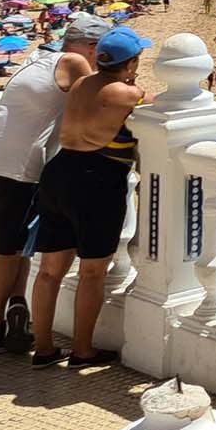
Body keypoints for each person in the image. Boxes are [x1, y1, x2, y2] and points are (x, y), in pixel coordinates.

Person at [0, 12, 107, 354]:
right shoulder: (73, 61)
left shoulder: (38, 58)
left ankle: (17, 308)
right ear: (90, 48)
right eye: (102, 51)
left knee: (17, 248)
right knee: (6, 252)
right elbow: (99, 97)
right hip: (16, 170)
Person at [27, 26, 149, 367]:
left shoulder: (81, 84)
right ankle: (83, 351)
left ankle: (44, 348)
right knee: (92, 271)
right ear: (130, 64)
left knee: (49, 271)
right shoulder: (129, 94)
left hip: (59, 172)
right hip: (97, 179)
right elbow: (158, 108)